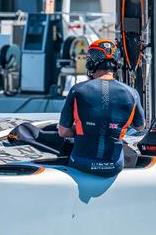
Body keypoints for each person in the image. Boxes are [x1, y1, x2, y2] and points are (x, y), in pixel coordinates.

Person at [58, 39, 146, 177]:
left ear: (90, 63)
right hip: (115, 165)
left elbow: (63, 132)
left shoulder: (77, 90)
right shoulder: (132, 93)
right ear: (116, 64)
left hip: (81, 162)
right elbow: (140, 127)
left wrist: (85, 128)